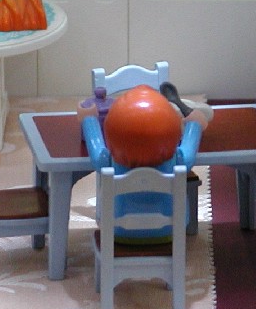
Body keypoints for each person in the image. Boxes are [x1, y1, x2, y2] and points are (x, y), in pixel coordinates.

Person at [80, 84, 203, 242]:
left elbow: (95, 147)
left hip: (118, 232)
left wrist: (89, 120)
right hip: (168, 232)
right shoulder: (179, 160)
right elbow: (189, 146)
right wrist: (195, 124)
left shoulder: (108, 160)